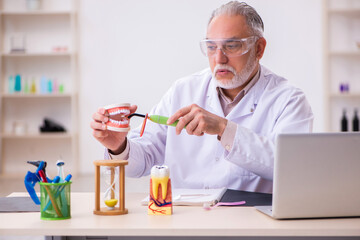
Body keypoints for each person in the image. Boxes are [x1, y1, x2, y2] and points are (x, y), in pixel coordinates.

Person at [91, 1, 313, 193]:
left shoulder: (288, 100)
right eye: (211, 46)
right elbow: (143, 162)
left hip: (250, 222)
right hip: (184, 222)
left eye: (232, 46)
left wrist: (225, 129)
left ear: (259, 48)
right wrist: (118, 147)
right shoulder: (182, 90)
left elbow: (291, 168)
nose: (219, 58)